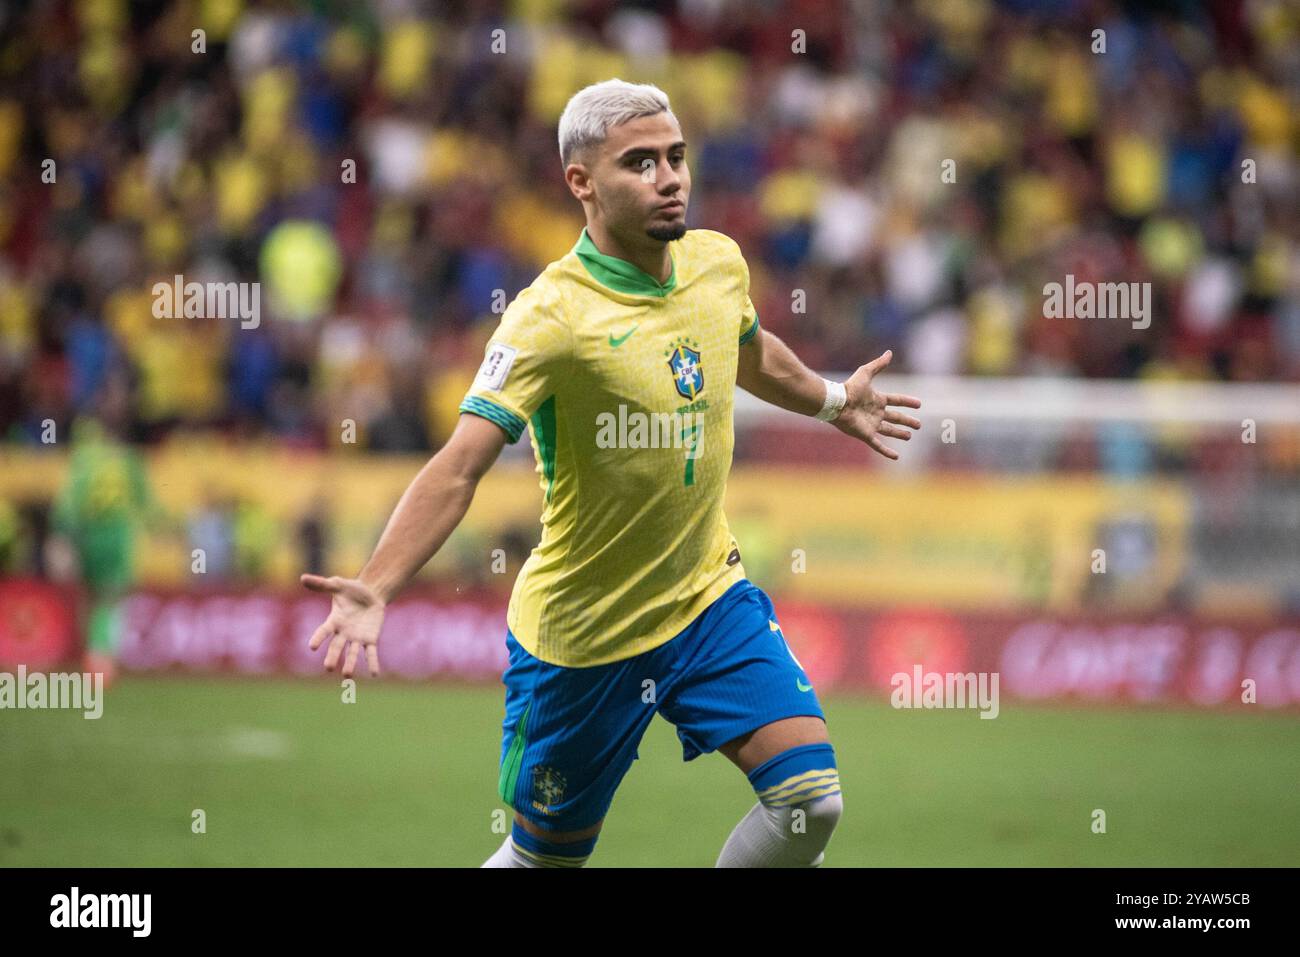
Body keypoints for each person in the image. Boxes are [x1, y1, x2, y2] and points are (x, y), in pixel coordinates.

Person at [300, 79, 922, 867]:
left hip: (705, 597)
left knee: (810, 803)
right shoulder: (548, 316)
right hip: (584, 633)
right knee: (544, 859)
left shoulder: (717, 264)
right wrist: (377, 584)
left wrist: (834, 400)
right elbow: (461, 464)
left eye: (676, 157)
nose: (670, 178)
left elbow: (749, 352)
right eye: (640, 163)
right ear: (581, 183)